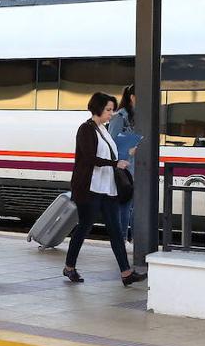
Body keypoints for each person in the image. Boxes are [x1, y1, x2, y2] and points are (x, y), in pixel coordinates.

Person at [63, 93, 147, 286]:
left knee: (116, 231)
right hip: (90, 189)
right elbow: (89, 158)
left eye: (112, 110)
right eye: (108, 110)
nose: (111, 113)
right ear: (98, 108)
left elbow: (110, 153)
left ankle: (126, 274)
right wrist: (115, 163)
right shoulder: (85, 129)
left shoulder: (104, 130)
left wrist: (126, 153)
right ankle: (69, 267)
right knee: (84, 228)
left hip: (108, 189)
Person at [107, 85, 137, 243]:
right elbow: (112, 145)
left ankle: (135, 240)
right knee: (125, 207)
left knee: (136, 208)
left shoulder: (138, 116)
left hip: (137, 169)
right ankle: (122, 239)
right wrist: (128, 151)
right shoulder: (120, 116)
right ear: (132, 97)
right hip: (125, 169)